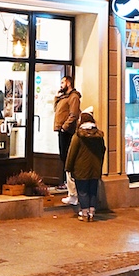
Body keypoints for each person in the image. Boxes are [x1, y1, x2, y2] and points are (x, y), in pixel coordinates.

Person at [65, 110, 105, 221]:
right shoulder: (99, 136)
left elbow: (72, 153)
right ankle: (92, 212)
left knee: (82, 191)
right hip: (95, 168)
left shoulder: (78, 136)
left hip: (80, 168)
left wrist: (68, 167)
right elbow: (103, 150)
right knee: (93, 191)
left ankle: (84, 213)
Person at [53, 75, 81, 203]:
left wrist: (65, 127)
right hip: (62, 131)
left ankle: (73, 193)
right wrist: (57, 97)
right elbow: (56, 110)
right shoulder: (64, 97)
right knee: (64, 158)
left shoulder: (73, 97)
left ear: (68, 83)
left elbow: (74, 114)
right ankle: (69, 188)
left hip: (67, 132)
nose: (61, 84)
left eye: (62, 82)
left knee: (68, 160)